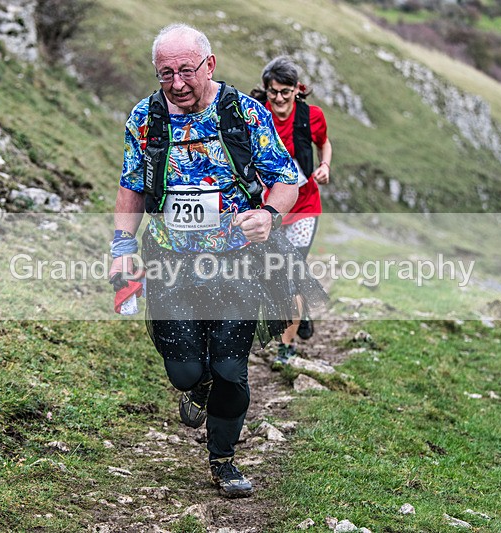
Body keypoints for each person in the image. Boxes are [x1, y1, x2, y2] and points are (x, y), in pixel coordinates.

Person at [110, 24, 325, 498]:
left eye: (186, 70)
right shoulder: (145, 118)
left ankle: (224, 460)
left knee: (231, 368)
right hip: (171, 260)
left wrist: (269, 214)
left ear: (210, 65)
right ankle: (196, 388)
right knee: (185, 370)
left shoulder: (245, 114)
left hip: (239, 260)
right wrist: (122, 245)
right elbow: (131, 184)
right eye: (166, 73)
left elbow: (286, 179)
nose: (178, 82)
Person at [251, 56, 333, 365]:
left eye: (286, 92)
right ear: (266, 90)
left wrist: (325, 165)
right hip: (270, 210)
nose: (280, 99)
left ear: (297, 90)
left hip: (306, 207)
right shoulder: (257, 116)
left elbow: (324, 143)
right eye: (274, 92)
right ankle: (303, 306)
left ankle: (286, 348)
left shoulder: (312, 116)